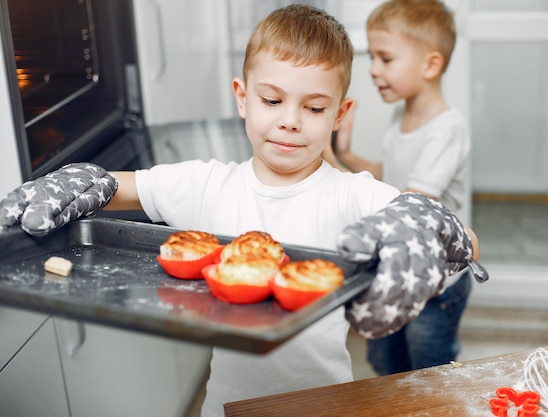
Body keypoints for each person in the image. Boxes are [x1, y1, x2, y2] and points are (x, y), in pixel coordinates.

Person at [0, 4, 487, 416]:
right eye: (272, 99)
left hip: (322, 403)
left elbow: (462, 236)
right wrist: (82, 181)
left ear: (339, 115)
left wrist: (428, 228)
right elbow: (124, 187)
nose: (290, 121)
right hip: (230, 405)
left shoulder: (352, 193)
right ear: (242, 98)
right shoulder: (210, 184)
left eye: (315, 109)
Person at [323, 0, 474, 375]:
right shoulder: (402, 113)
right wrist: (347, 155)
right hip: (401, 264)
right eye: (373, 57)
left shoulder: (446, 130)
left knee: (429, 371)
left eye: (385, 59)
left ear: (430, 65)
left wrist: (332, 166)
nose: (373, 70)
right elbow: (391, 174)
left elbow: (414, 204)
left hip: (435, 282)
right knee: (388, 365)